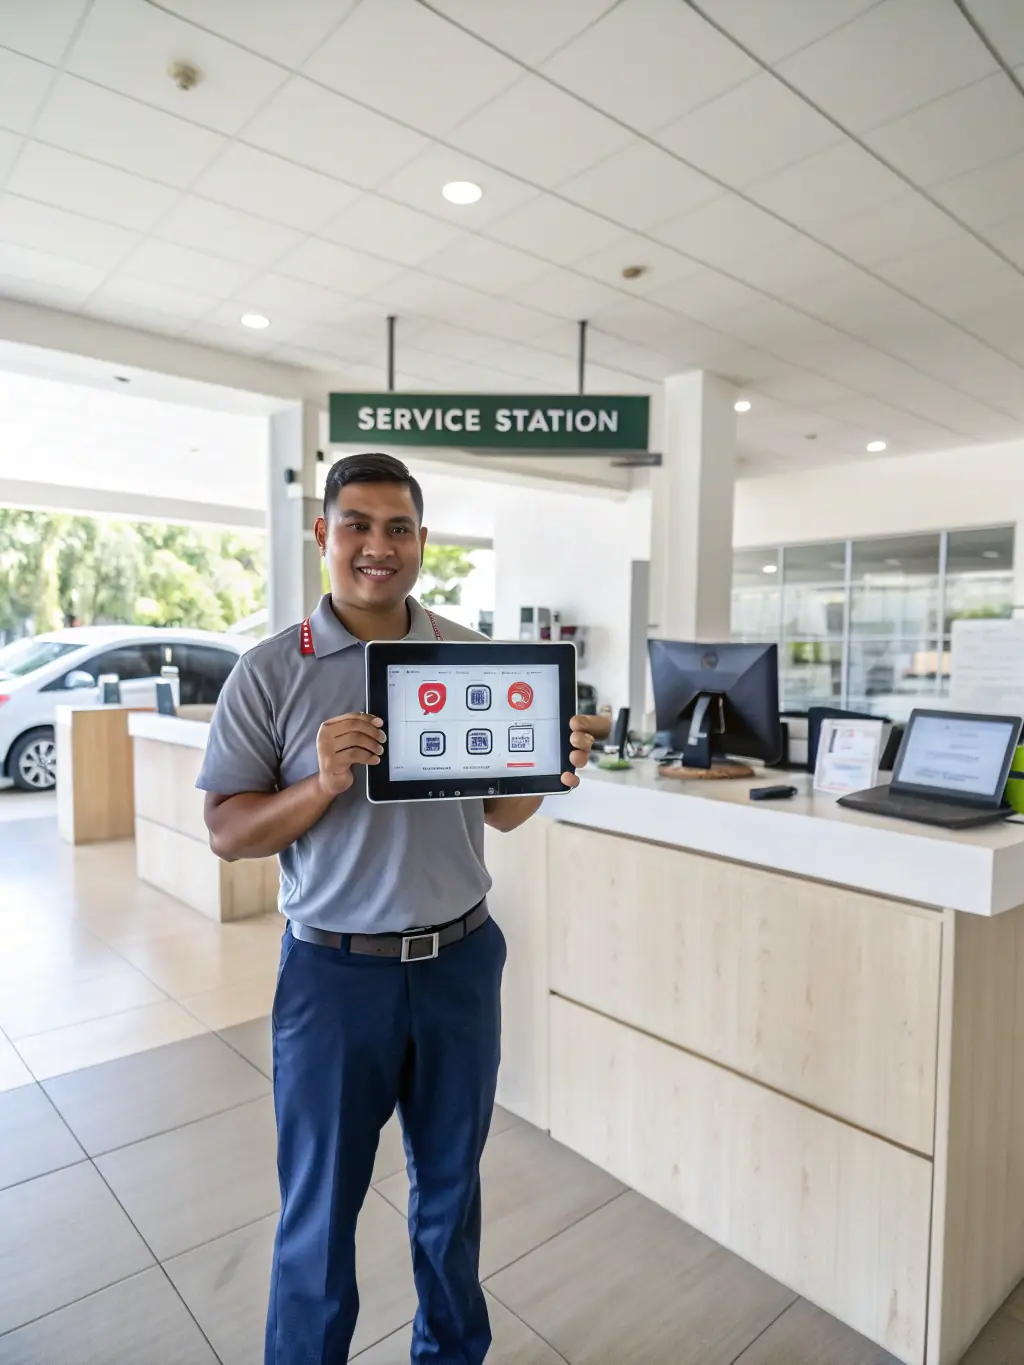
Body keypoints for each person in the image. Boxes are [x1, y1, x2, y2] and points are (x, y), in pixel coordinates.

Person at [197, 452, 595, 1365]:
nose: (379, 546)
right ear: (324, 534)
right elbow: (227, 830)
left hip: (461, 962)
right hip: (335, 976)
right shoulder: (269, 672)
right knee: (320, 1207)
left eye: (399, 527)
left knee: (451, 1194)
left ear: (422, 539)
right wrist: (323, 783)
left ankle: (452, 1352)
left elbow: (501, 808)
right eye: (358, 525)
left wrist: (552, 769)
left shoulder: (474, 658)